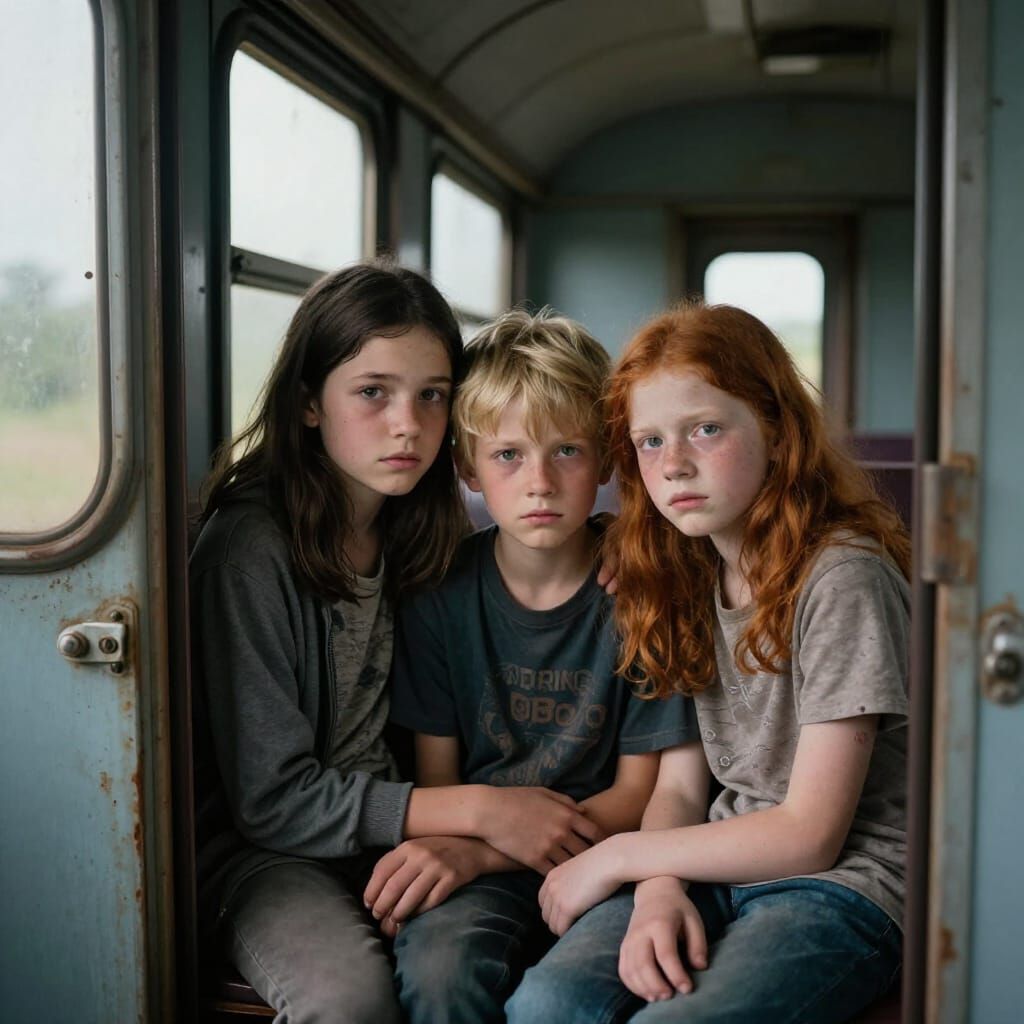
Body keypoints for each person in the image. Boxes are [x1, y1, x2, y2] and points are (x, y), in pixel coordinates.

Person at [191, 263, 604, 1024]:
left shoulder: (417, 524)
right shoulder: (249, 550)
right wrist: (482, 811)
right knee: (349, 1003)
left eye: (432, 395)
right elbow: (273, 803)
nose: (407, 423)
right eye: (372, 392)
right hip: (276, 853)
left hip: (392, 827)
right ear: (310, 402)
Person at [507, 301, 910, 1024]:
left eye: (706, 429)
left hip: (845, 882)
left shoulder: (843, 577)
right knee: (548, 1003)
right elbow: (683, 786)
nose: (675, 464)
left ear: (779, 433)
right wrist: (660, 888)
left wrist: (617, 858)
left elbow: (810, 834)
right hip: (707, 863)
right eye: (649, 441)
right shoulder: (681, 569)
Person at [368, 308, 699, 1024]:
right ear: (467, 467)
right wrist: (474, 854)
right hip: (477, 848)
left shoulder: (639, 591)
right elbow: (439, 782)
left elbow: (637, 795)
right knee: (438, 971)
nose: (540, 483)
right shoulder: (438, 597)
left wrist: (483, 855)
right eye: (509, 455)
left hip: (609, 854)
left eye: (567, 452)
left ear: (608, 459)